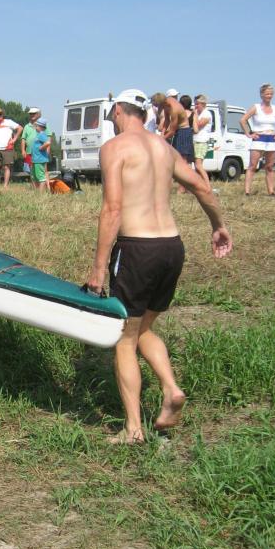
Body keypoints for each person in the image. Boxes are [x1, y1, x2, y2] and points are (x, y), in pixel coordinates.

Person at [85, 89, 232, 444]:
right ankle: (170, 388)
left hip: (138, 249)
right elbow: (200, 186)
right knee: (144, 329)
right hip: (171, 247)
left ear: (118, 111)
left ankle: (133, 429)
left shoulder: (115, 148)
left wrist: (99, 268)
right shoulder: (163, 148)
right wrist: (219, 226)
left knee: (124, 338)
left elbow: (113, 209)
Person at [240, 84, 275, 196]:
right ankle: (247, 191)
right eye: (267, 94)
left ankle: (271, 191)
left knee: (269, 167)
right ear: (261, 95)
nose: (269, 96)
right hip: (259, 138)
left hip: (271, 139)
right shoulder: (256, 107)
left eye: (271, 94)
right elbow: (243, 120)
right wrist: (249, 134)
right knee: (252, 166)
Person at [161, 88, 194, 169]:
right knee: (176, 156)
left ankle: (185, 175)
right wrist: (162, 133)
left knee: (183, 159)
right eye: (174, 96)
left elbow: (172, 130)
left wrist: (162, 138)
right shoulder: (166, 107)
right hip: (178, 131)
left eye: (176, 96)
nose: (176, 98)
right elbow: (167, 121)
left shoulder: (175, 108)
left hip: (184, 131)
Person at [22, 108, 53, 186]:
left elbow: (48, 137)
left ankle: (48, 188)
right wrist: (23, 150)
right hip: (30, 152)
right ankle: (36, 188)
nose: (32, 115)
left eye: (34, 113)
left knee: (44, 170)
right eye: (30, 113)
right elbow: (23, 139)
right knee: (32, 171)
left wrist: (47, 150)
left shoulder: (43, 125)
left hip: (41, 153)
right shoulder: (27, 126)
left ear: (39, 114)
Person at [191, 95, 213, 190]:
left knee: (198, 165)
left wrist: (194, 115)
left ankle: (208, 186)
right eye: (195, 104)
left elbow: (199, 125)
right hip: (196, 140)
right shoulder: (199, 114)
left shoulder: (207, 114)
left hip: (201, 141)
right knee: (197, 166)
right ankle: (200, 186)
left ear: (203, 104)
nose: (195, 106)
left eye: (197, 104)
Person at [30, 118, 51, 193]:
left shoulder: (42, 134)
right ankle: (37, 191)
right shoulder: (38, 135)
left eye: (36, 126)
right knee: (35, 176)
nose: (35, 127)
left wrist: (42, 147)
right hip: (36, 159)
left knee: (41, 177)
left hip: (39, 159)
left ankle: (40, 193)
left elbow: (48, 142)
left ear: (41, 127)